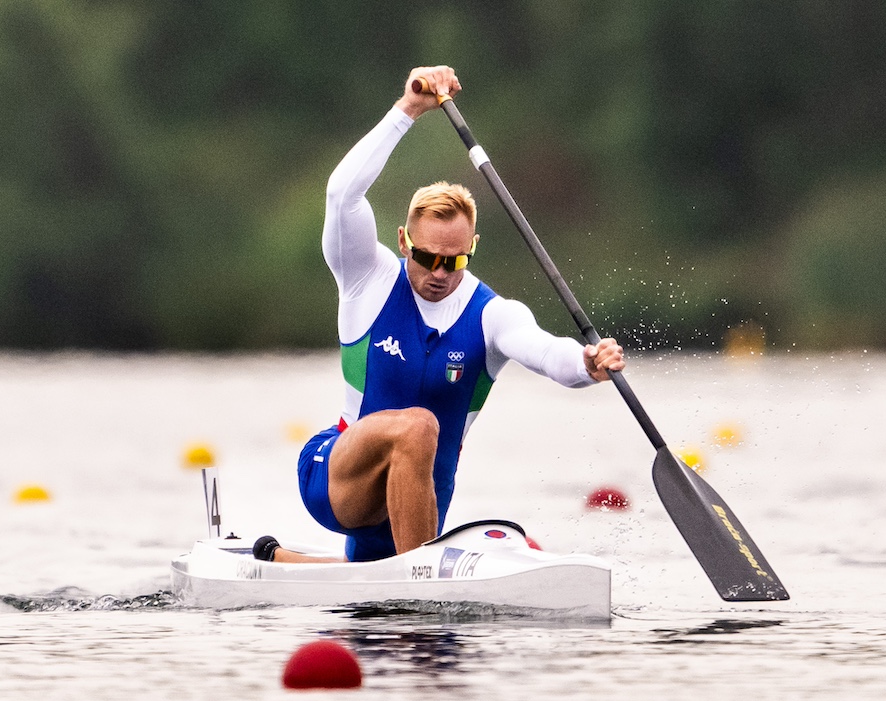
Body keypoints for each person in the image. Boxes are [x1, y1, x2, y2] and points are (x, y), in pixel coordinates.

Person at [256, 66, 625, 564]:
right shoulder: (368, 277)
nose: (438, 272)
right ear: (405, 241)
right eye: (426, 257)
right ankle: (420, 577)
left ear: (471, 249)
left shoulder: (492, 315)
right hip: (338, 477)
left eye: (453, 261)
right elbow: (343, 195)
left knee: (377, 579)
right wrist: (407, 110)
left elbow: (544, 352)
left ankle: (283, 561)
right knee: (419, 426)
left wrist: (588, 362)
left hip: (421, 499)